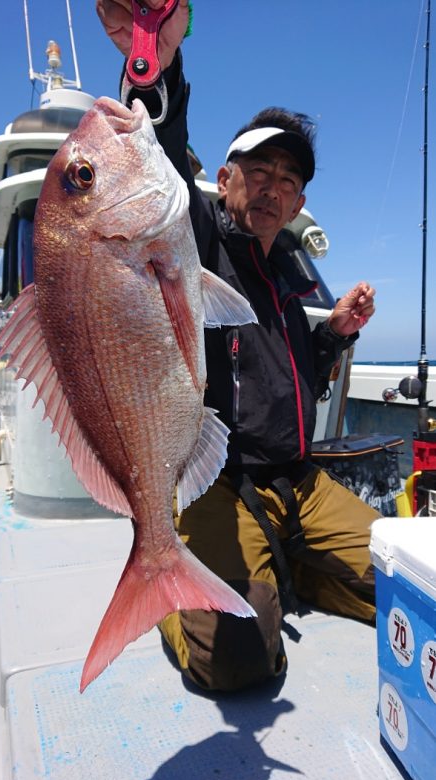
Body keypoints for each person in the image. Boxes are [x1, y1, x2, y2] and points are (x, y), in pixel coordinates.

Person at [97, 0, 380, 692]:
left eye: (289, 180)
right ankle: (173, 601)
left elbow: (293, 378)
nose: (273, 189)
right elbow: (155, 150)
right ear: (223, 181)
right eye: (258, 171)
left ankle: (293, 565)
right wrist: (158, 69)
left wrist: (333, 335)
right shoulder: (194, 235)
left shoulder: (291, 268)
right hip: (219, 484)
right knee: (237, 655)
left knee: (411, 583)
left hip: (302, 482)